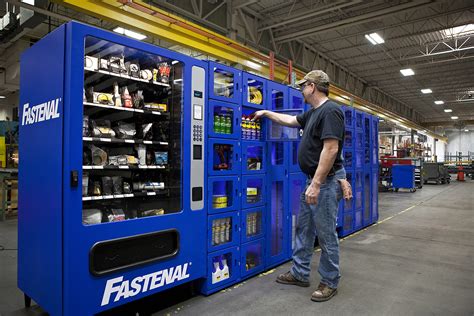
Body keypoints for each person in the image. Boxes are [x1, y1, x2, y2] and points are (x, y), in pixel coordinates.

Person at [253, 70, 352, 302]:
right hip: (313, 181)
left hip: (324, 184)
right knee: (304, 229)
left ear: (312, 86)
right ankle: (300, 273)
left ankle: (329, 281)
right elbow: (290, 120)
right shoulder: (313, 113)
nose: (300, 91)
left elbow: (331, 149)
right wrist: (266, 113)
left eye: (302, 87)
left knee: (326, 234)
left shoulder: (331, 111)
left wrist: (316, 184)